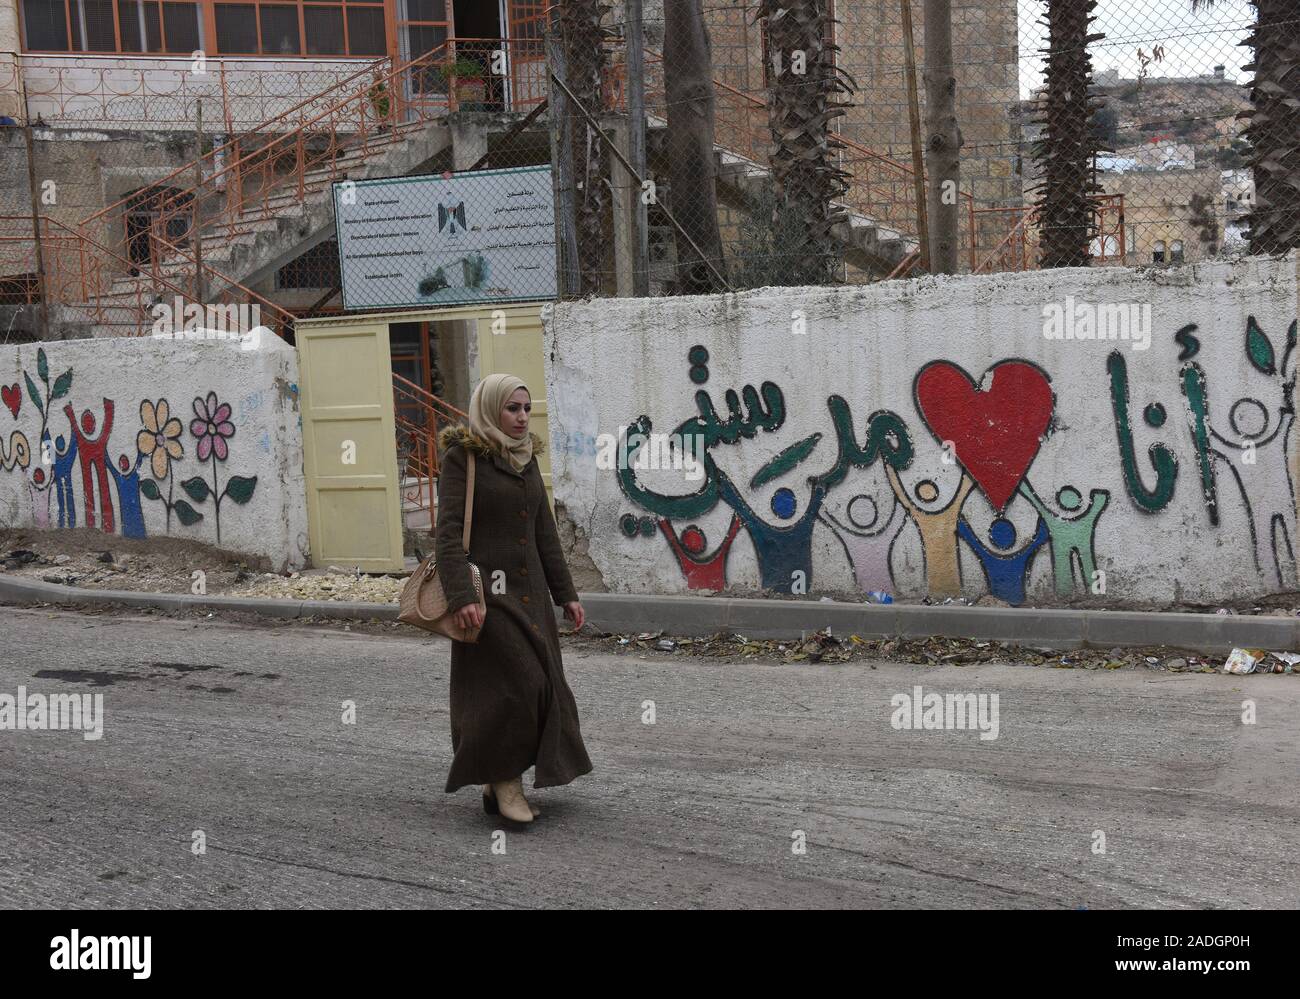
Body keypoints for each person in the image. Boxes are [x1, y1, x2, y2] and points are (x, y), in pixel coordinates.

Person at [434, 373, 593, 825]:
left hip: (532, 598)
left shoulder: (526, 461)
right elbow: (447, 536)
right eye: (512, 408)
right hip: (487, 598)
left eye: (526, 408)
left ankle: (498, 775)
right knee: (516, 688)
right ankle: (506, 784)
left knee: (542, 685)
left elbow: (545, 534)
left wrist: (567, 595)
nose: (522, 417)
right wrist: (461, 594)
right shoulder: (462, 458)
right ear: (490, 409)